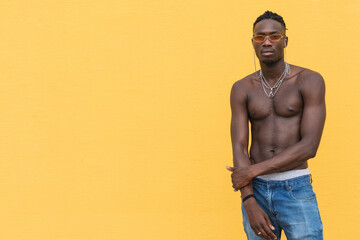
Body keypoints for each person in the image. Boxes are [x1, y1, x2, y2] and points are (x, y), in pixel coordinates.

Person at [226, 11, 326, 240]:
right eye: (260, 37)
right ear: (253, 43)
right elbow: (239, 147)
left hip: (296, 187)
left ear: (285, 40)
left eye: (274, 36)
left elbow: (309, 146)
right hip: (256, 191)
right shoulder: (242, 88)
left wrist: (252, 171)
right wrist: (248, 199)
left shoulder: (309, 80)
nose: (267, 42)